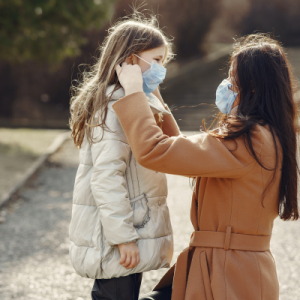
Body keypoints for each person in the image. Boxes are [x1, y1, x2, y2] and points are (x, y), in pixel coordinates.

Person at [113, 34, 299, 300]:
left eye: (234, 80)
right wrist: (154, 95)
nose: (227, 85)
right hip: (229, 270)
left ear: (253, 86)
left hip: (228, 276)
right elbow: (183, 152)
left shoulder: (249, 139)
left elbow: (155, 151)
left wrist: (133, 93)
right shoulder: (266, 134)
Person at [68, 16, 180, 300]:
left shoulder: (132, 102)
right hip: (120, 236)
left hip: (131, 228)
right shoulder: (116, 106)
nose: (161, 68)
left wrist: (150, 91)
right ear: (131, 60)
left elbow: (174, 147)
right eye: (156, 59)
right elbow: (106, 177)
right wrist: (124, 238)